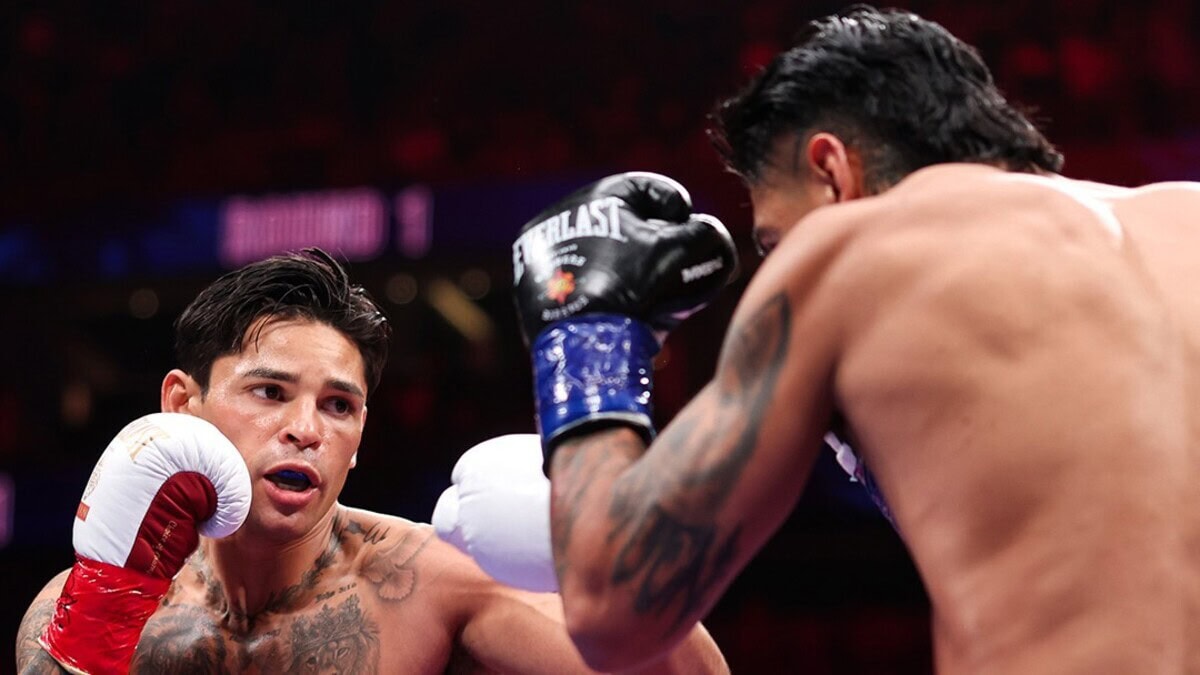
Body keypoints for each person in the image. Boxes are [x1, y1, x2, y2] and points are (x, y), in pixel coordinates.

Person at [504, 5, 1200, 674]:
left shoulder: (848, 252)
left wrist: (581, 326)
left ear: (832, 170)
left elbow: (610, 605)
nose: (781, 264)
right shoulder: (1187, 215)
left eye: (775, 239)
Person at [15, 248, 728, 673]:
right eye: (270, 391)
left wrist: (599, 551)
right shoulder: (77, 601)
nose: (305, 429)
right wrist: (101, 615)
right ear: (183, 404)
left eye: (338, 405)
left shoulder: (431, 584)